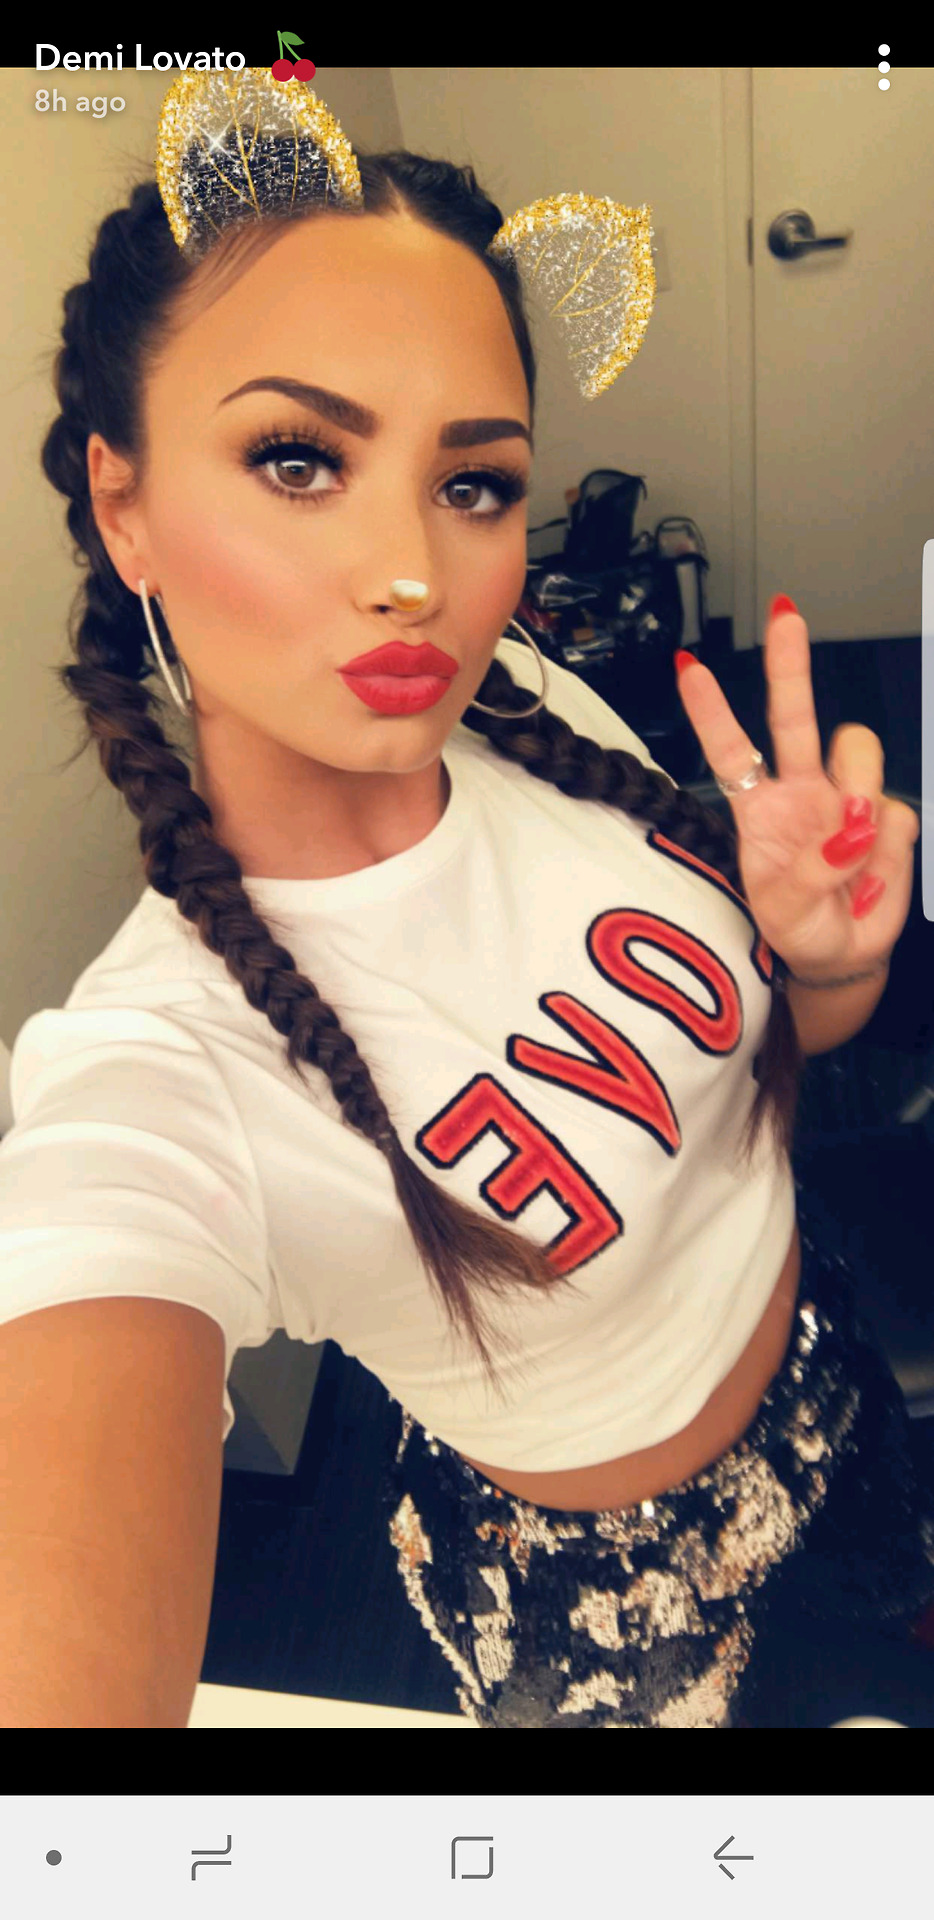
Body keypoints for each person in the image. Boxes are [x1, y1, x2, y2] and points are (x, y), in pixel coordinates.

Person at [2, 85, 934, 1727]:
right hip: (612, 1605)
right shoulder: (152, 1082)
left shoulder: (524, 703)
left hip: (831, 1371)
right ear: (124, 503)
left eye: (475, 482)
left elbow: (773, 1055)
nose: (416, 574)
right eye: (298, 459)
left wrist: (822, 964)